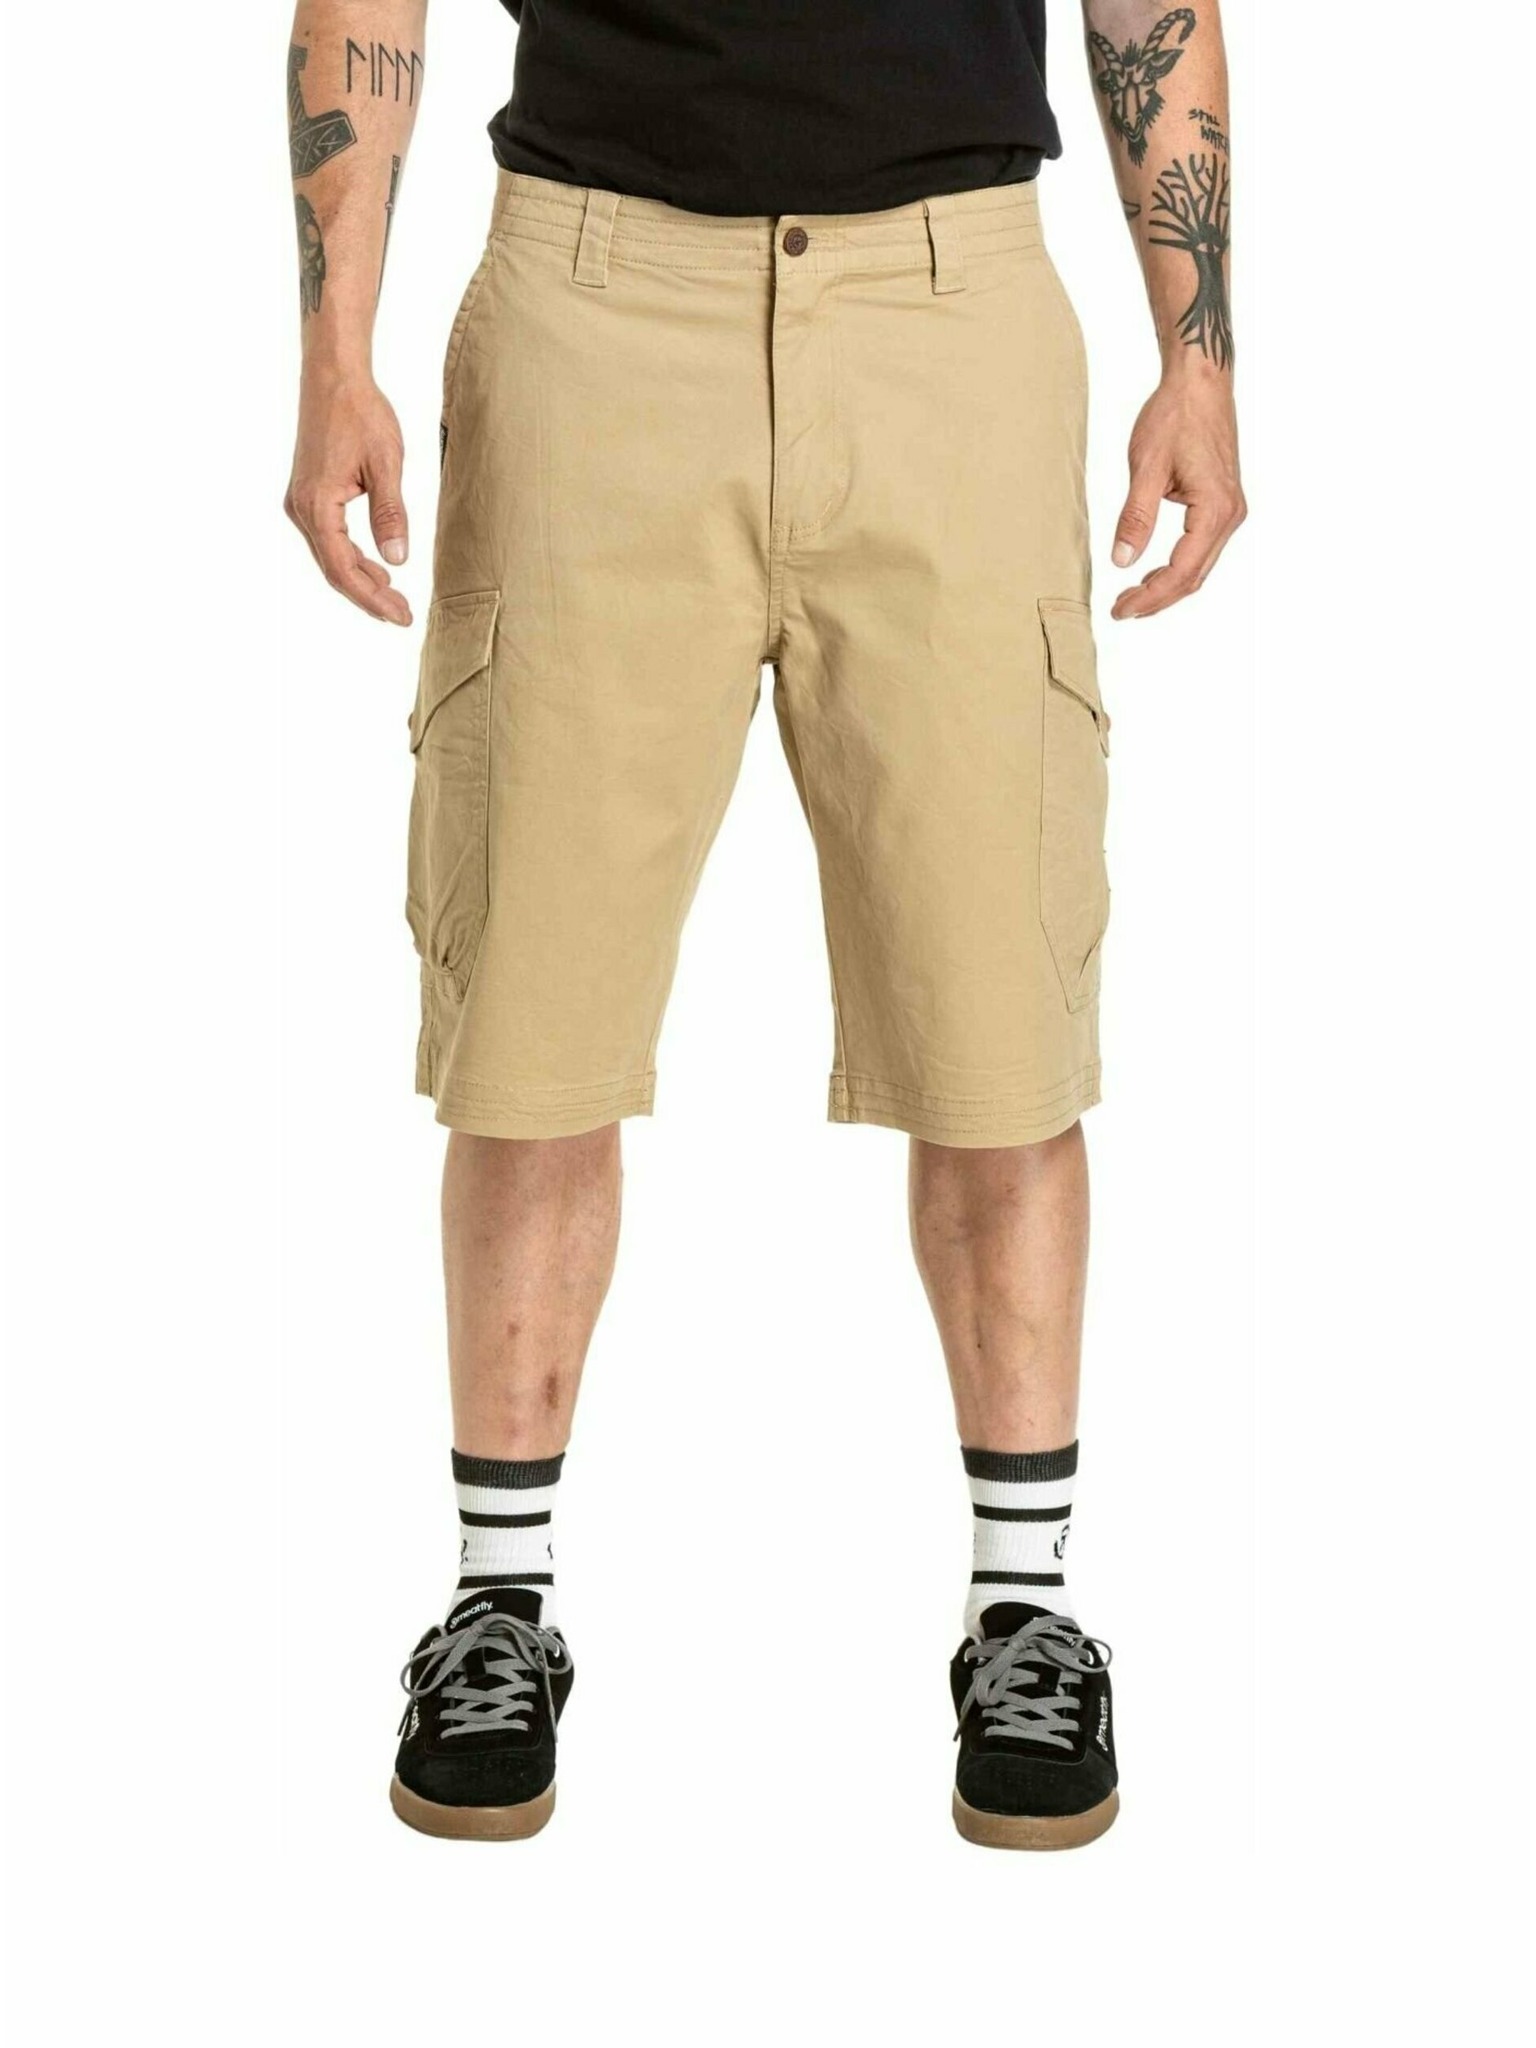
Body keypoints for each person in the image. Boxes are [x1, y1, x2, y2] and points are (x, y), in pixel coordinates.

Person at [284, 0, 1244, 1849]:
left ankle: (1025, 1613)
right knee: (531, 1023)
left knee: (999, 1024)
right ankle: (497, 1606)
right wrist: (336, 353)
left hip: (954, 309)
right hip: (593, 303)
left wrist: (1195, 361)